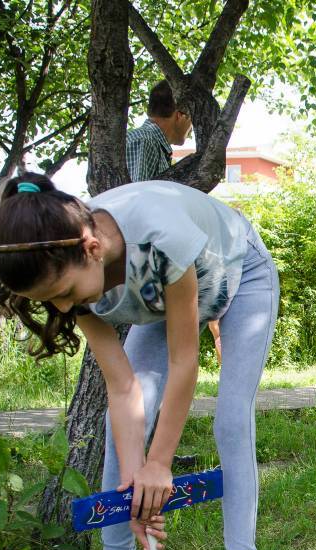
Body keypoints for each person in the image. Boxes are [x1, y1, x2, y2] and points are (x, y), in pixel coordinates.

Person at [0, 173, 280, 550]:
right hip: (163, 298)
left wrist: (160, 464)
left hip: (240, 275)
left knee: (230, 421)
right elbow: (123, 390)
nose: (63, 310)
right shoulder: (62, 258)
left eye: (64, 294)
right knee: (117, 426)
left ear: (91, 246)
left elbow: (185, 363)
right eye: (51, 302)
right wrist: (135, 489)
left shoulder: (160, 235)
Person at [126, 79, 223, 365]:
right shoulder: (144, 142)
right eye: (191, 118)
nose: (192, 127)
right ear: (180, 114)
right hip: (136, 261)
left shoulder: (151, 144)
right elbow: (136, 205)